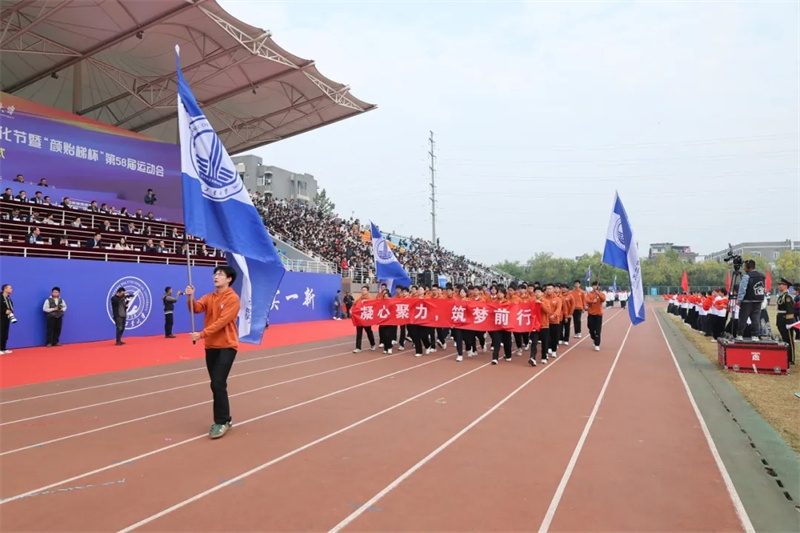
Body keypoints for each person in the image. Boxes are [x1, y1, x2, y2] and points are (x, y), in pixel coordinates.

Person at [185, 266, 241, 439]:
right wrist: (190, 297)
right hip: (211, 346)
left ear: (229, 279)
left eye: (220, 274)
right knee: (217, 384)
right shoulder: (209, 297)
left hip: (227, 345)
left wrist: (201, 334)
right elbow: (196, 308)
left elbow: (222, 321)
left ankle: (221, 421)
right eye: (215, 274)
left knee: (217, 382)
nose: (216, 277)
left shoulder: (232, 298)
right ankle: (226, 419)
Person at [736, 259, 766, 341]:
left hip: (747, 300)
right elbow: (764, 288)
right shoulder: (762, 276)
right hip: (758, 300)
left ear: (748, 267)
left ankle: (740, 334)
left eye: (744, 266)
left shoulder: (747, 276)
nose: (743, 268)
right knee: (756, 319)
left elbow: (742, 289)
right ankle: (755, 335)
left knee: (743, 318)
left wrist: (739, 300)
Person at [775, 278, 795, 366]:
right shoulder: (781, 296)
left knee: (789, 339)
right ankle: (786, 356)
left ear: (786, 286)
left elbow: (790, 310)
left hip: (786, 320)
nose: (779, 286)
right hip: (781, 319)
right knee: (784, 339)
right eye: (779, 285)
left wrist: (789, 323)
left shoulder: (787, 297)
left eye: (781, 285)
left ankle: (791, 358)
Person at [585, 281, 607, 351]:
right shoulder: (589, 294)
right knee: (591, 328)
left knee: (598, 330)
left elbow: (603, 299)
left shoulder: (601, 294)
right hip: (591, 314)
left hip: (598, 314)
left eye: (597, 286)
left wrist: (598, 294)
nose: (595, 287)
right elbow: (586, 300)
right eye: (594, 286)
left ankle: (597, 344)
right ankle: (594, 338)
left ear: (599, 287)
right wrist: (592, 301)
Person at [1, 284, 14, 354]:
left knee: (5, 333)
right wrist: (4, 311)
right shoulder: (0, 297)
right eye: (10, 288)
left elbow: (10, 307)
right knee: (0, 332)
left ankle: (3, 348)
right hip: (1, 317)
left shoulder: (8, 298)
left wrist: (11, 312)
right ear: (5, 289)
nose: (12, 289)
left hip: (7, 318)